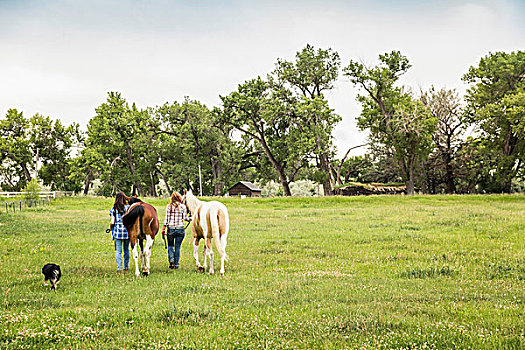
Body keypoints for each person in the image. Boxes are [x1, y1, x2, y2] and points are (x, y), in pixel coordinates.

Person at [162, 191, 191, 269]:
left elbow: (166, 219)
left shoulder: (169, 206)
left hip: (171, 228)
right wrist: (191, 219)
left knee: (170, 246)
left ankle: (171, 260)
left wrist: (163, 229)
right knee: (177, 247)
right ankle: (176, 264)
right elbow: (185, 218)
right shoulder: (183, 207)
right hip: (180, 229)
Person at [109, 192, 130, 272]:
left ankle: (119, 268)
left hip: (117, 232)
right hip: (127, 232)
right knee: (126, 250)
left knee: (118, 251)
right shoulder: (128, 207)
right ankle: (126, 267)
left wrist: (110, 228)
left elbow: (112, 222)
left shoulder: (114, 209)